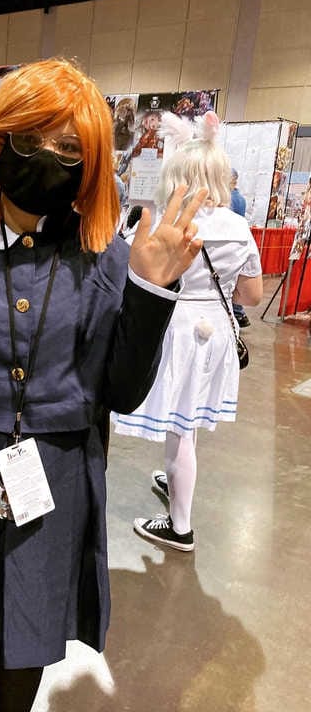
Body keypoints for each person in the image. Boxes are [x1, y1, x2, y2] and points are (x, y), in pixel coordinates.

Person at [0, 58, 207, 712]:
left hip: (56, 479)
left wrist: (149, 288)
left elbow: (123, 392)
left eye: (70, 147)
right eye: (31, 138)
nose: (49, 157)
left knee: (27, 651)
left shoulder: (106, 256)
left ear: (92, 161)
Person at [112, 111, 263, 552]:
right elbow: (251, 296)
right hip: (215, 331)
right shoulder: (239, 228)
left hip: (173, 326)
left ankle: (180, 527)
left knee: (179, 427)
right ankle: (176, 479)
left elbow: (129, 278)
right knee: (188, 419)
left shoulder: (164, 221)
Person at [229, 168, 250, 327]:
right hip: (236, 244)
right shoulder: (241, 198)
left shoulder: (230, 198)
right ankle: (238, 312)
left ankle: (237, 312)